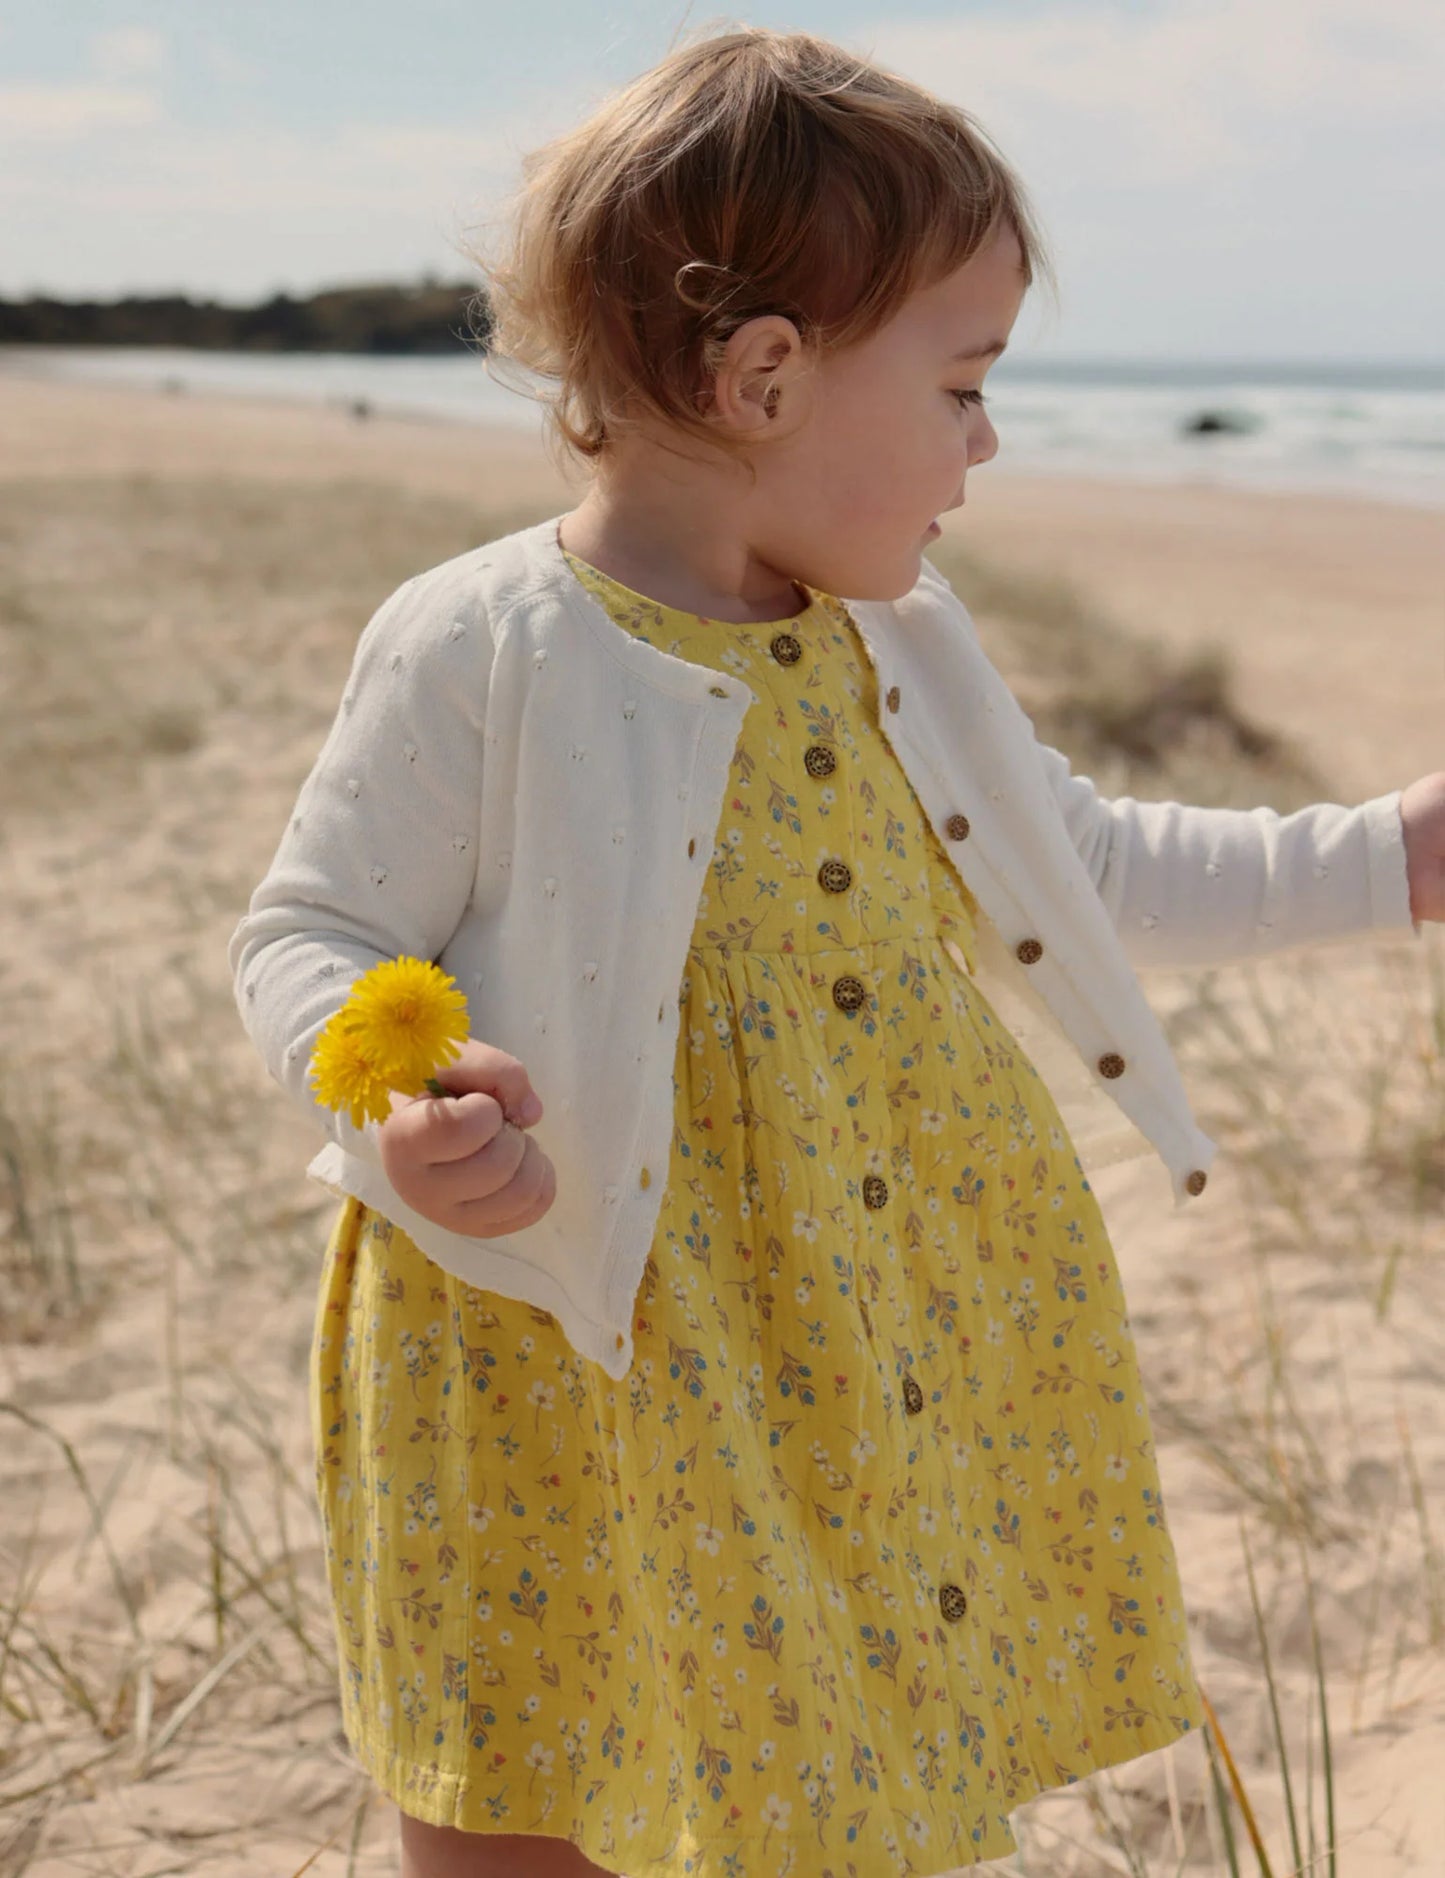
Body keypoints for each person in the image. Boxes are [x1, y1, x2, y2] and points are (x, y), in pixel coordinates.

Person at [228, 25, 1441, 1878]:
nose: (988, 438)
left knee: (830, 1746)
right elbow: (310, 928)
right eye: (960, 385)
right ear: (766, 376)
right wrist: (403, 1104)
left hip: (858, 1323)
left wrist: (1391, 858)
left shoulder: (905, 637)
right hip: (573, 1317)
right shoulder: (485, 641)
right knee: (527, 1755)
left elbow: (1088, 863)